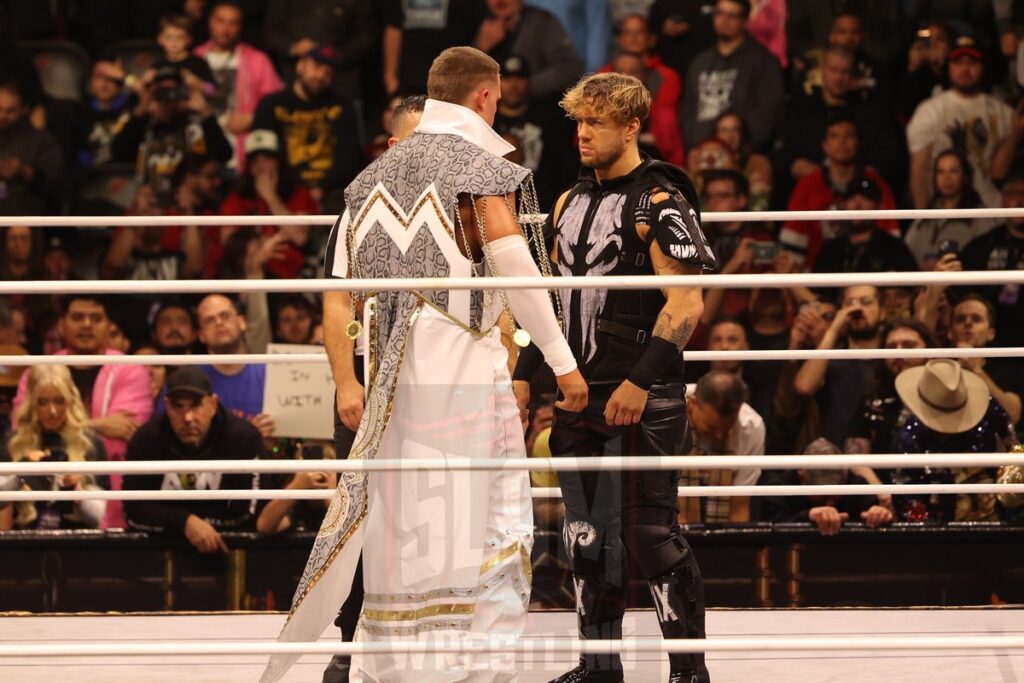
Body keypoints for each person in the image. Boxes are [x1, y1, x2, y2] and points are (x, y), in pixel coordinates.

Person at [262, 46, 587, 683]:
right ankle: (473, 670)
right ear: (487, 97)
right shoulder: (479, 166)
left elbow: (340, 290)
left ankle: (392, 670)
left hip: (390, 382)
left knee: (403, 526)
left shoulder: (365, 182)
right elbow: (518, 270)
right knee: (490, 520)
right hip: (461, 372)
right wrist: (561, 362)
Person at [513, 71, 714, 683]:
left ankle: (687, 673)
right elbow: (544, 298)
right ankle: (598, 667)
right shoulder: (568, 202)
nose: (582, 134)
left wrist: (641, 381)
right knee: (584, 536)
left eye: (595, 122)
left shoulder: (660, 201)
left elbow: (687, 305)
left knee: (650, 535)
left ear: (631, 126)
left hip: (641, 396)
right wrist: (526, 374)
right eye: (577, 122)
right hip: (577, 390)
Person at [123, 367, 267, 552]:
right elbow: (133, 510)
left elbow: (249, 510)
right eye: (178, 406)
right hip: (160, 553)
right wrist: (184, 522)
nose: (187, 417)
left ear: (212, 405)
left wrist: (195, 524)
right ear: (166, 406)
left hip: (235, 550)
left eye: (196, 405)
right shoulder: (146, 440)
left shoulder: (242, 438)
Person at [891, 359, 1018, 522]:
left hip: (996, 520)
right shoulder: (909, 437)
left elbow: (1014, 453)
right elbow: (907, 501)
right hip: (937, 532)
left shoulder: (990, 410)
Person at [907, 35, 1015, 209]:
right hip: (945, 209)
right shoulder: (929, 111)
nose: (965, 69)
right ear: (949, 67)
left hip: (992, 208)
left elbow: (1001, 172)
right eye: (958, 62)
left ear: (983, 68)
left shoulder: (1003, 113)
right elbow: (921, 169)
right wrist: (924, 216)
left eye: (972, 63)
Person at [779, 116, 898, 270]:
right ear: (825, 145)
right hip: (815, 276)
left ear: (858, 143)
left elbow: (891, 240)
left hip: (869, 274)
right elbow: (793, 241)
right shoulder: (808, 185)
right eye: (834, 136)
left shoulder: (877, 184)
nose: (842, 142)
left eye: (849, 136)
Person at [1, 366, 108, 531]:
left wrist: (78, 491)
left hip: (79, 539)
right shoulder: (14, 442)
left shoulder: (89, 443)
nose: (52, 411)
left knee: (93, 491)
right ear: (32, 403)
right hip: (24, 540)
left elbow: (106, 516)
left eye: (59, 401)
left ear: (70, 401)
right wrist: (22, 475)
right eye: (43, 402)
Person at [252, 45, 362, 205]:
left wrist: (321, 189)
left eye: (328, 72)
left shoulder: (342, 106)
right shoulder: (271, 105)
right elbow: (263, 157)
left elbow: (349, 158)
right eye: (316, 66)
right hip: (285, 192)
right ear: (300, 66)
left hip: (332, 194)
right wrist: (298, 193)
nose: (320, 75)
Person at [110, 63, 232, 200]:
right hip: (150, 205)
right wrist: (141, 109)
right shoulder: (143, 125)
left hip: (188, 206)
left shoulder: (196, 125)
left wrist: (205, 113)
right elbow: (118, 153)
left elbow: (224, 155)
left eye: (174, 90)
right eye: (162, 91)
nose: (168, 97)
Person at [680, 0, 784, 152]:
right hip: (701, 151)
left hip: (741, 154)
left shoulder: (764, 61)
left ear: (745, 21)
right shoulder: (699, 62)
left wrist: (745, 148)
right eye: (720, 13)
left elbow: (769, 110)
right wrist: (695, 144)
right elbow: (688, 108)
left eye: (732, 15)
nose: (724, 20)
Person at [194, 0, 284, 169]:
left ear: (240, 26)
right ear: (210, 21)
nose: (225, 29)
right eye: (220, 21)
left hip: (241, 156)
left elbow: (278, 104)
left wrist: (252, 118)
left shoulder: (257, 60)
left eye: (233, 23)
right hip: (202, 156)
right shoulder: (195, 58)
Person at [793, 285, 881, 449]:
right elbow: (804, 387)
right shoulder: (830, 359)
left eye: (866, 302)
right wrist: (833, 331)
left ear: (882, 311)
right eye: (850, 303)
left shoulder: (890, 357)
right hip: (833, 457)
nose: (857, 308)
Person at [759, 438, 893, 535]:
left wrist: (878, 513)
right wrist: (808, 516)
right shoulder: (777, 488)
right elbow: (769, 533)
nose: (830, 504)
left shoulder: (854, 483)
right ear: (801, 478)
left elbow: (876, 511)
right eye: (822, 496)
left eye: (836, 495)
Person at [493, 55, 578, 208]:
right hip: (493, 201)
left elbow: (562, 164)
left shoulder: (549, 119)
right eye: (506, 78)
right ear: (497, 83)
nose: (513, 85)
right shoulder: (488, 121)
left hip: (542, 203)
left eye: (519, 78)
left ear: (529, 81)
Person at [682, 370, 764, 525]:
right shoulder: (665, 411)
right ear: (692, 404)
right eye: (712, 427)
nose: (719, 435)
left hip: (722, 512)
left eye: (727, 428)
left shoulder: (751, 426)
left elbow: (740, 504)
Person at [600, 14, 684, 166]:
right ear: (619, 39)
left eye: (639, 32)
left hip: (653, 148)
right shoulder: (602, 75)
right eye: (627, 32)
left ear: (651, 38)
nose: (633, 38)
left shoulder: (667, 76)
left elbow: (665, 122)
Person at [957, 173, 1024, 346]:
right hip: (989, 339)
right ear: (1002, 200)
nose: (1018, 200)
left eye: (1023, 193)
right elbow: (958, 291)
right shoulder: (983, 244)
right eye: (1011, 193)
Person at [904, 150, 999, 270]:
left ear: (965, 176)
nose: (946, 178)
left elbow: (986, 259)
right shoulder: (925, 216)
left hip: (961, 285)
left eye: (953, 171)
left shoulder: (979, 216)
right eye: (940, 172)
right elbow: (905, 253)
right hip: (920, 284)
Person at [195, 294, 274, 436]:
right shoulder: (190, 381)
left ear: (242, 322)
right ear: (201, 335)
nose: (219, 323)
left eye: (225, 316)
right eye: (209, 320)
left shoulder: (271, 374)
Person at [475, 0, 584, 100]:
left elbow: (570, 67)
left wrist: (525, 86)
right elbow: (464, 78)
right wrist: (481, 47)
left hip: (538, 109)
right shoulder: (477, 22)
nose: (499, 1)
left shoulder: (542, 22)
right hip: (493, 112)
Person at [810, 178, 919, 275]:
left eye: (865, 198)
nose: (857, 205)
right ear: (843, 205)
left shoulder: (893, 248)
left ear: (879, 206)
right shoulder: (831, 249)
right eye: (852, 198)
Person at [381, 0, 489, 96]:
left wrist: (481, 47)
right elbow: (394, 27)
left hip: (454, 80)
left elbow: (481, 22)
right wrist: (390, 78)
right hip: (408, 82)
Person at [947, 295, 1023, 425]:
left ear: (990, 333)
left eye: (976, 319)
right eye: (960, 319)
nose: (968, 323)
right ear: (951, 332)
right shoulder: (940, 367)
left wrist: (976, 370)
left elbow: (1012, 416)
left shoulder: (1009, 371)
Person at [0, 78, 65, 214]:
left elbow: (55, 189)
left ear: (24, 109)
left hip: (26, 216)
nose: (3, 116)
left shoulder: (42, 141)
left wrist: (23, 171)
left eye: (10, 111)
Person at [689, 110, 772, 211]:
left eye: (735, 130)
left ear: (742, 134)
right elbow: (691, 207)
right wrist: (695, 174)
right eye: (724, 130)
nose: (729, 136)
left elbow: (758, 206)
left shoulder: (757, 162)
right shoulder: (703, 159)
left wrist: (731, 172)